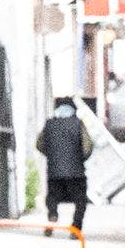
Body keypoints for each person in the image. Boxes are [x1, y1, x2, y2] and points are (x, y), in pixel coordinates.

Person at [38, 98, 94, 235]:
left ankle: (52, 215)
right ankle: (75, 228)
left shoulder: (49, 124)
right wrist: (80, 159)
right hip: (76, 172)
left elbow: (39, 144)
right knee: (80, 201)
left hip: (54, 171)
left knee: (52, 197)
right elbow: (88, 146)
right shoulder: (78, 124)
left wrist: (52, 156)